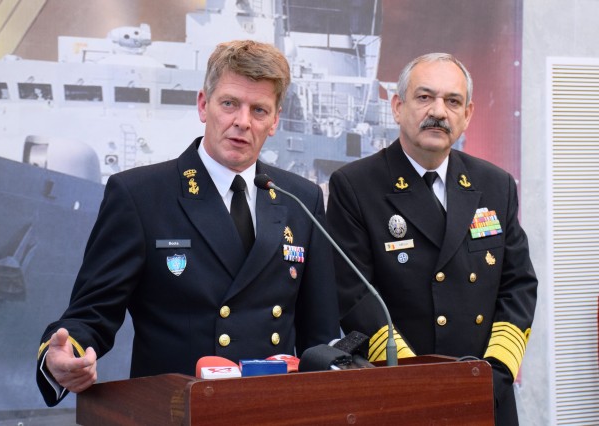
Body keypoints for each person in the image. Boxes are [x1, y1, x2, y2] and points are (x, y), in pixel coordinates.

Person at [36, 40, 340, 407]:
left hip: (272, 409)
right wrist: (64, 354)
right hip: (176, 411)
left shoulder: (300, 199)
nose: (242, 122)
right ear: (203, 104)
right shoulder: (140, 195)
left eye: (259, 110)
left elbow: (319, 336)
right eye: (229, 104)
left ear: (275, 120)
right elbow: (91, 313)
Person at [326, 53, 537, 425]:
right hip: (401, 394)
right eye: (424, 97)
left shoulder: (495, 184)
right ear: (397, 106)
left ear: (467, 115)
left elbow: (518, 284)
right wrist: (414, 378)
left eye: (452, 101)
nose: (439, 111)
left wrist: (494, 372)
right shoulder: (356, 186)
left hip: (486, 392)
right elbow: (355, 295)